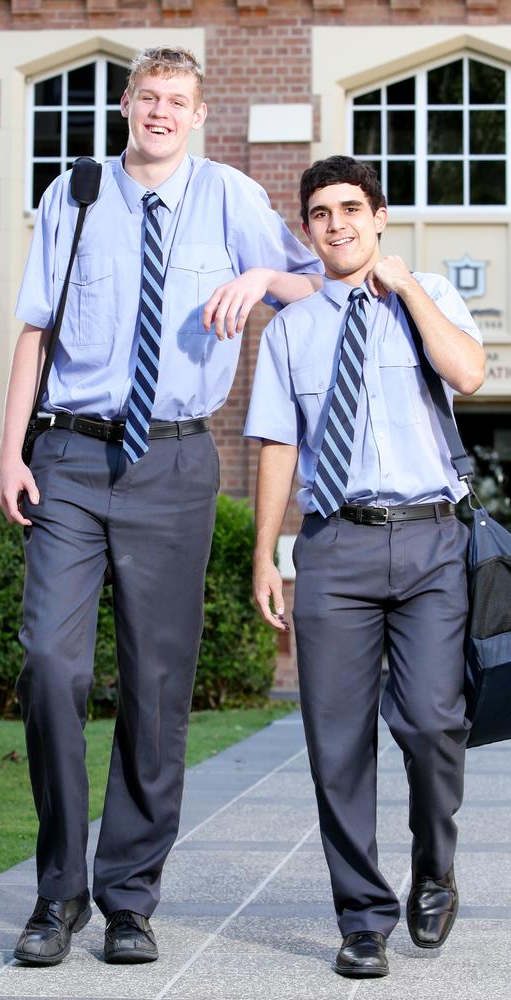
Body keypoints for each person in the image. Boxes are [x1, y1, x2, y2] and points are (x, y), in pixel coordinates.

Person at [0, 46, 322, 968]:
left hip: (175, 463)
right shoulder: (79, 191)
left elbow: (317, 281)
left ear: (198, 114)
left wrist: (262, 279)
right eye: (149, 97)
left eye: (179, 100)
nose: (162, 112)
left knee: (156, 686)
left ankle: (129, 897)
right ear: (128, 104)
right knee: (52, 667)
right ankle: (57, 893)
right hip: (66, 455)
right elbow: (35, 330)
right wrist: (7, 452)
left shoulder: (230, 198)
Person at [246, 155, 485, 979]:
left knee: (429, 722)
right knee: (336, 743)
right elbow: (279, 446)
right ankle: (362, 917)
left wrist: (409, 289)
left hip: (428, 541)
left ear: (378, 218)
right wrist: (267, 554)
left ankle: (435, 866)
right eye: (320, 213)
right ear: (308, 229)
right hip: (334, 547)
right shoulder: (290, 332)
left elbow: (469, 373)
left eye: (352, 208)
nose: (337, 223)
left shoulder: (432, 301)